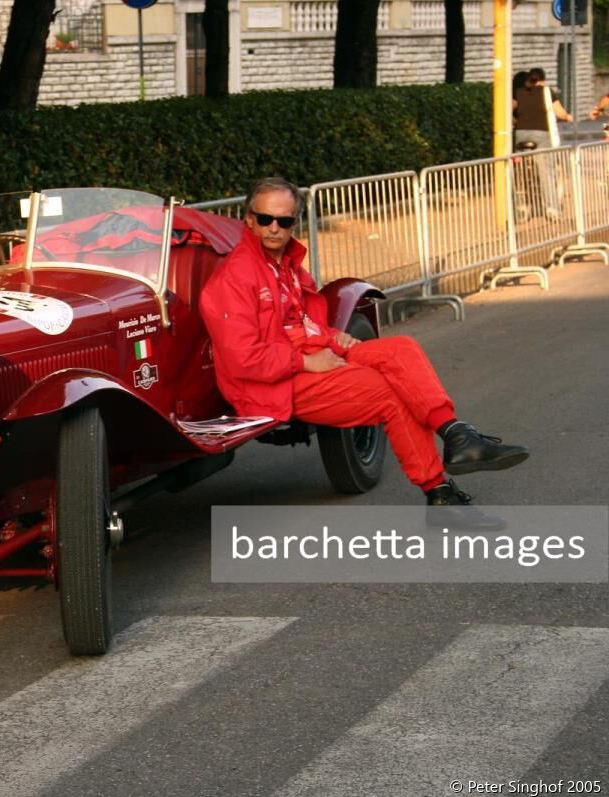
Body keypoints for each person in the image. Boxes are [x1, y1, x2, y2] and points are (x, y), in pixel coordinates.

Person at [199, 178, 529, 511]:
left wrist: (331, 336)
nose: (274, 228)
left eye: (283, 221)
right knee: (387, 392)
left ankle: (457, 434)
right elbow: (243, 358)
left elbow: (297, 323)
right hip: (272, 384)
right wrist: (307, 362)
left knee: (400, 349)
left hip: (311, 357)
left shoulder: (285, 266)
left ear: (293, 223)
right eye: (265, 219)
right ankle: (438, 491)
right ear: (249, 219)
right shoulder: (236, 276)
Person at [512, 68, 570, 218]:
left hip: (521, 135)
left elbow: (510, 110)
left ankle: (521, 205)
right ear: (542, 80)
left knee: (521, 171)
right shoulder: (547, 92)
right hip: (542, 134)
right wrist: (568, 116)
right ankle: (552, 208)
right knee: (547, 171)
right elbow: (560, 113)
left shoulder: (518, 92)